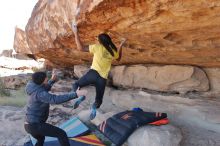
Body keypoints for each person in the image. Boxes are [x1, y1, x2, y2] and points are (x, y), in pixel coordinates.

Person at [71, 23, 126, 120]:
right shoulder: (112, 51)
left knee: (75, 85)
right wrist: (121, 44)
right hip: (102, 79)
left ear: (100, 42)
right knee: (99, 100)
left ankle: (81, 96)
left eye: (97, 39)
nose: (96, 39)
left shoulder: (97, 47)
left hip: (93, 74)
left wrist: (76, 32)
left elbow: (80, 48)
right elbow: (118, 58)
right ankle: (94, 109)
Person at [24, 71, 87, 146]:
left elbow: (44, 88)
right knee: (61, 134)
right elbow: (55, 99)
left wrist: (52, 80)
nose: (47, 78)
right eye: (46, 78)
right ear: (43, 80)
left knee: (41, 139)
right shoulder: (40, 94)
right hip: (35, 125)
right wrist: (76, 94)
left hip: (28, 125)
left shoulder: (32, 85)